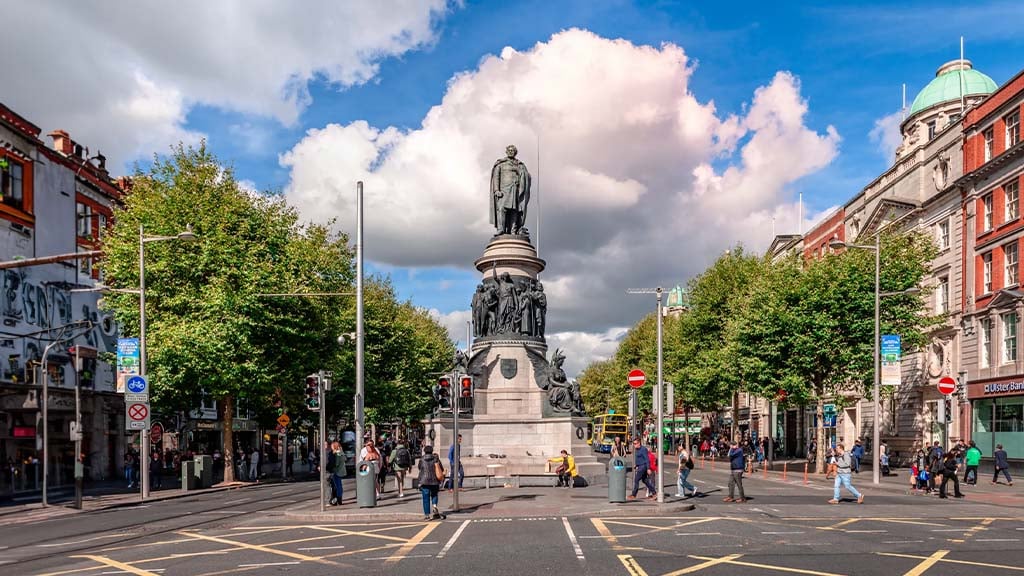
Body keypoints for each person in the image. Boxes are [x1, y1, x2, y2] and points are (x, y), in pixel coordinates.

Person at [417, 446, 444, 520]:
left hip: (424, 481)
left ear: (424, 451)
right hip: (434, 480)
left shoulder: (422, 459)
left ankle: (427, 515)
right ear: (432, 451)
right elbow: (441, 468)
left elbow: (419, 468)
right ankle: (434, 506)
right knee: (434, 495)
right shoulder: (436, 458)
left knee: (425, 498)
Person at [327, 440, 346, 505]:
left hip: (337, 471)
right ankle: (339, 499)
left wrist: (331, 468)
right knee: (339, 485)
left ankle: (338, 499)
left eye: (332, 446)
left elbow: (336, 464)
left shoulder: (337, 454)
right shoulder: (341, 452)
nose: (331, 447)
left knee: (337, 486)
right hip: (341, 471)